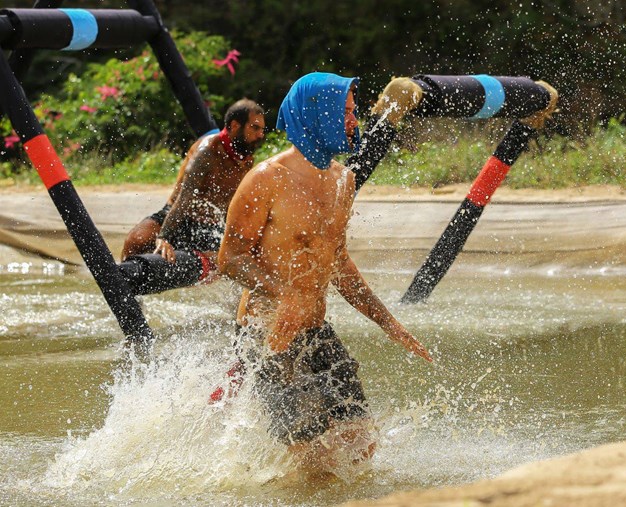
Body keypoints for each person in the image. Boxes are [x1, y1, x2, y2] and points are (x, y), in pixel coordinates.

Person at [216, 73, 432, 471]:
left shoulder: (343, 180)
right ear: (318, 115)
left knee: (361, 444)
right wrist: (285, 294)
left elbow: (339, 263)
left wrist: (389, 323)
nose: (354, 121)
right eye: (346, 112)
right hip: (270, 336)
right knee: (309, 465)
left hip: (316, 329)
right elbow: (229, 258)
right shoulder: (266, 178)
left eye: (353, 112)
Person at [118, 99, 265, 295]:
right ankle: (124, 294)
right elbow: (185, 199)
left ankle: (237, 306)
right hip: (176, 214)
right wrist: (164, 237)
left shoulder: (245, 159)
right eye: (255, 128)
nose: (260, 135)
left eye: (262, 129)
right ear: (235, 126)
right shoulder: (207, 151)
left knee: (223, 262)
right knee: (135, 240)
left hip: (209, 227)